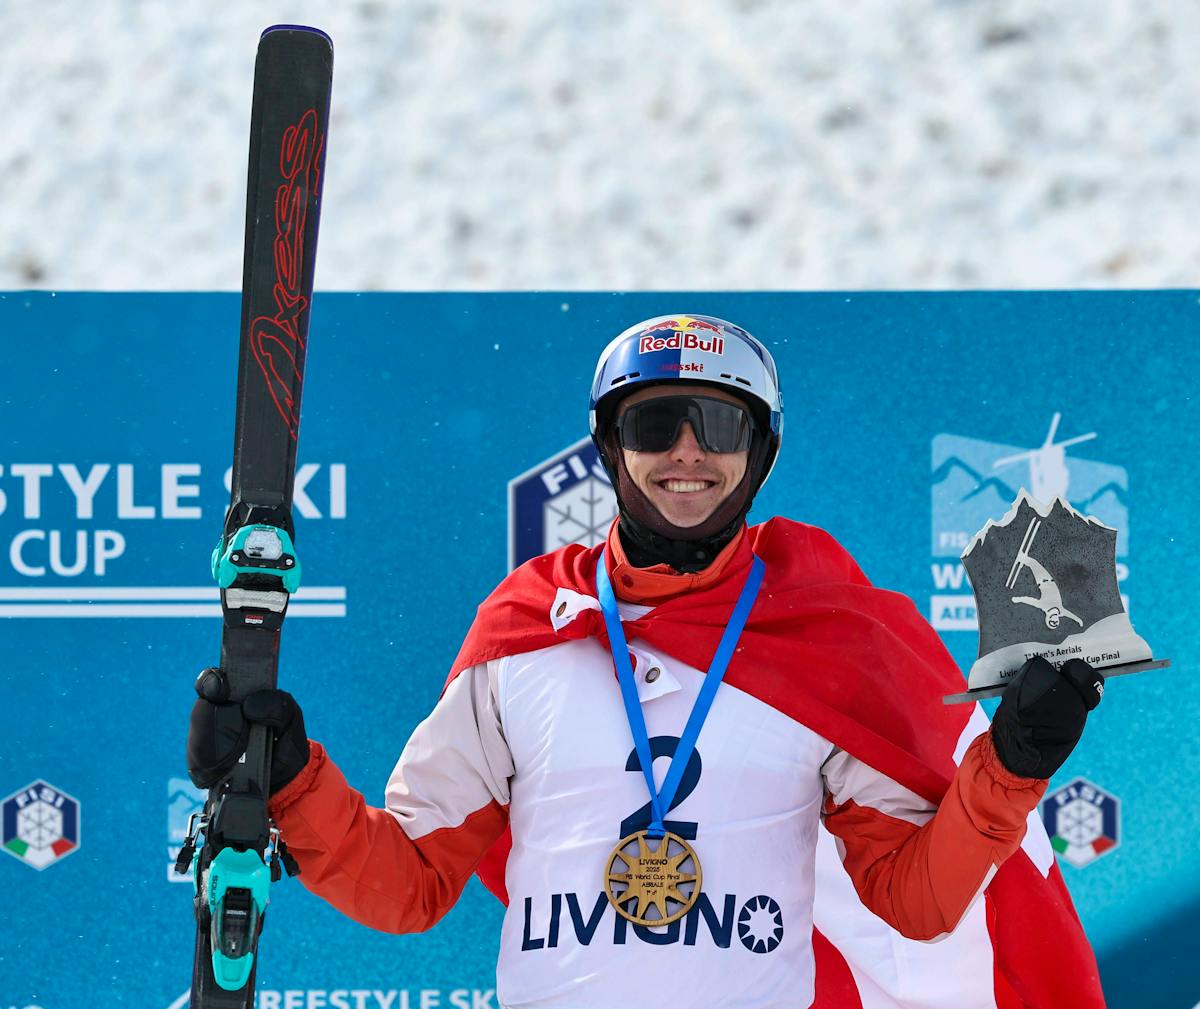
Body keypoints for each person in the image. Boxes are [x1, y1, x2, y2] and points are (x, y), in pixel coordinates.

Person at [188, 314, 1107, 1009]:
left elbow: (915, 899)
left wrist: (1011, 769)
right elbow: (409, 883)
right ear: (608, 445)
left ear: (762, 452)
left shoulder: (822, 638)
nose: (687, 453)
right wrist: (295, 780)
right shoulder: (523, 630)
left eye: (719, 424)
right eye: (656, 422)